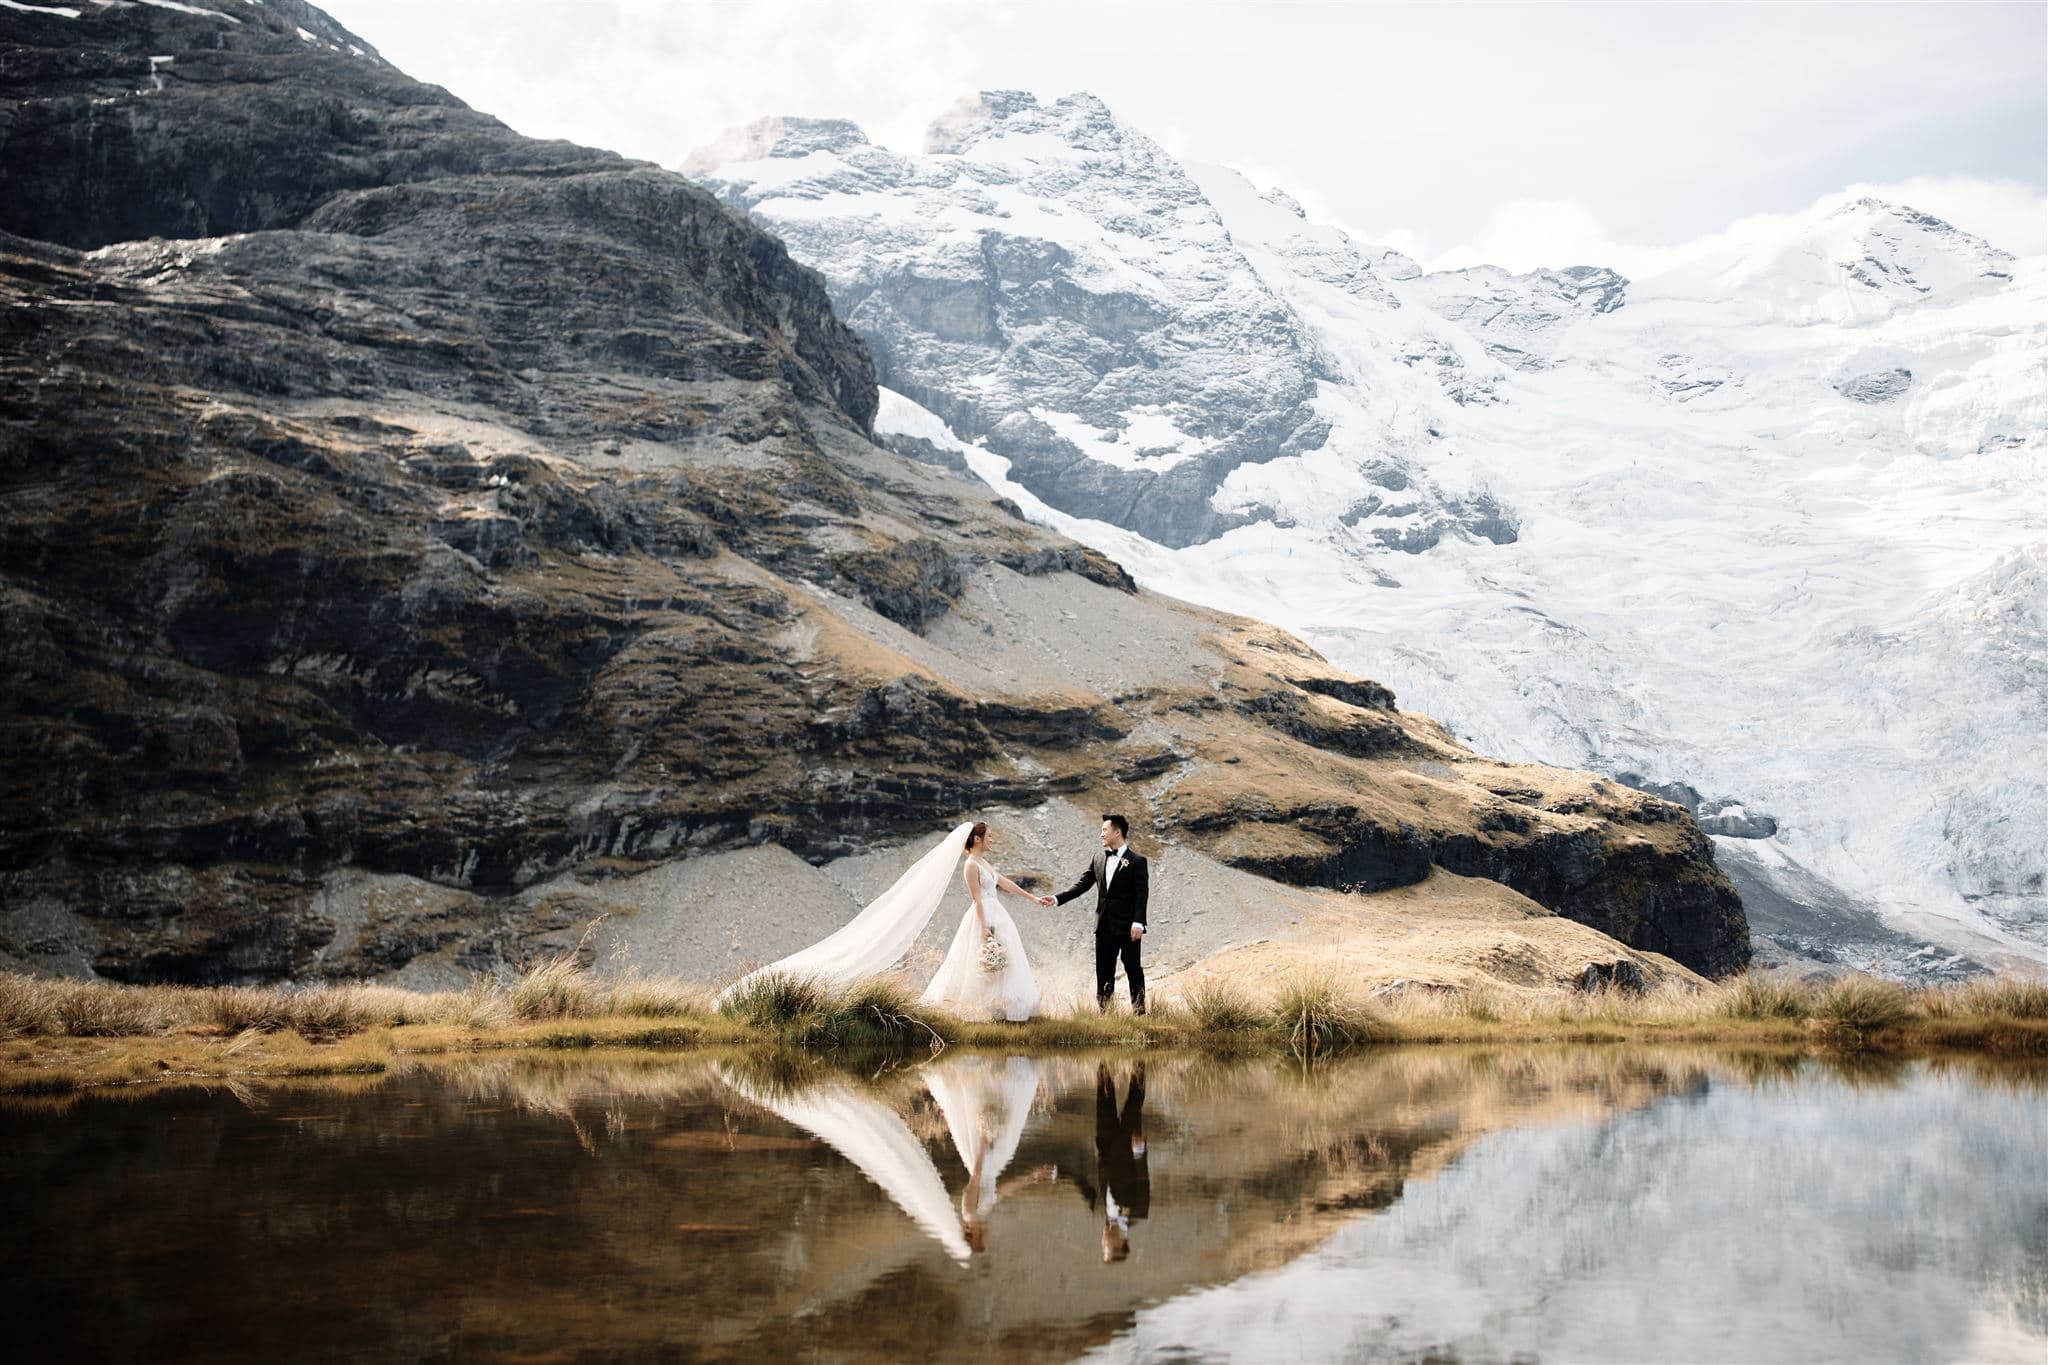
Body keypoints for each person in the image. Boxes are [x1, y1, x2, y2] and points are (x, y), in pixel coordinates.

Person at [715, 818, 1045, 1021]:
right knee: (973, 964)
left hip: (997, 915)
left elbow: (1004, 884)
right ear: (975, 840)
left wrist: (1032, 898)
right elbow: (977, 899)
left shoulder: (985, 864)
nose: (992, 841)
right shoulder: (971, 866)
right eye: (988, 837)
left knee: (1003, 963)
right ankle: (977, 1011)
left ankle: (1002, 1009)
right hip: (983, 917)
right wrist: (985, 928)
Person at [1047, 812, 1149, 1014]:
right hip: (1103, 926)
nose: (1101, 834)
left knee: (1133, 969)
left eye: (1104, 830)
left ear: (1117, 832)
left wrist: (1139, 922)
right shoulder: (1098, 858)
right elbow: (1082, 885)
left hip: (1129, 927)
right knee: (1103, 971)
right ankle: (1105, 1015)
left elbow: (1141, 894)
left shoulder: (1137, 861)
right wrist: (1057, 898)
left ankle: (1139, 1013)